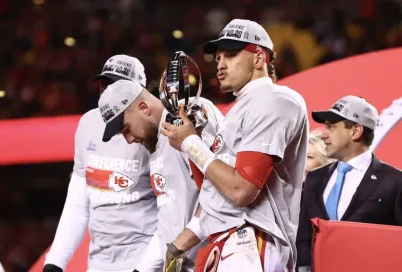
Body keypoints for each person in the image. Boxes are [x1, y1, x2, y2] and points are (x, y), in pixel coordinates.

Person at [160, 18, 309, 271]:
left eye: (230, 55)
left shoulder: (275, 100)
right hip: (228, 240)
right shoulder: (241, 108)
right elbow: (215, 194)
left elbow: (242, 190)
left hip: (253, 242)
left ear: (259, 59)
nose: (220, 65)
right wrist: (180, 244)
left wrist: (191, 143)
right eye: (217, 58)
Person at [44, 55, 158, 272]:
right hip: (99, 263)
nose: (108, 92)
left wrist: (145, 269)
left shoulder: (152, 131)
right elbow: (78, 203)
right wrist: (55, 262)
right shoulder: (88, 124)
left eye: (116, 85)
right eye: (104, 84)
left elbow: (170, 211)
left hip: (143, 258)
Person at [98, 79, 224, 271]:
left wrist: (179, 245)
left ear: (143, 107)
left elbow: (223, 189)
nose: (129, 139)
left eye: (126, 129)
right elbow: (170, 222)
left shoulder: (188, 115)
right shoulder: (154, 140)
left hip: (219, 260)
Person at [296, 95, 402, 272]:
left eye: (331, 127)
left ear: (355, 131)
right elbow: (305, 237)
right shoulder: (315, 178)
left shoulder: (395, 182)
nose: (324, 134)